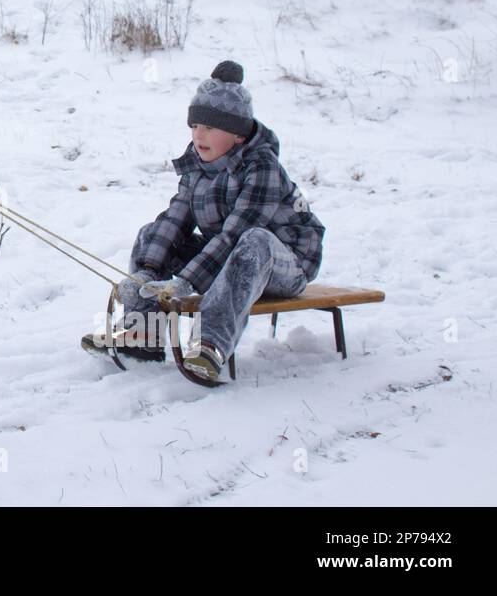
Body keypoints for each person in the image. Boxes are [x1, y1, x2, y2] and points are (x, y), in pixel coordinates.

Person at [82, 60, 325, 382]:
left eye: (210, 128)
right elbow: (176, 218)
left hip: (285, 263)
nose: (199, 135)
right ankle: (142, 334)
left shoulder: (262, 167)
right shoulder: (198, 163)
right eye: (195, 126)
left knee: (253, 240)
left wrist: (186, 281)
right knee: (152, 234)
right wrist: (146, 275)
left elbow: (235, 234)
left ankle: (211, 343)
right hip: (233, 257)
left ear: (238, 135)